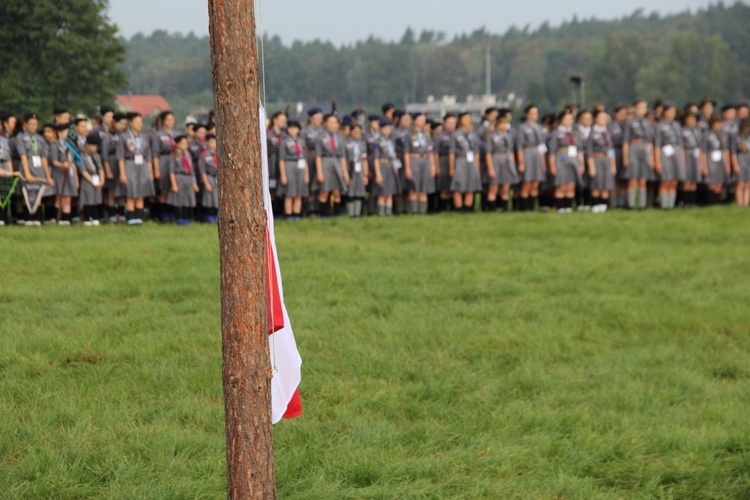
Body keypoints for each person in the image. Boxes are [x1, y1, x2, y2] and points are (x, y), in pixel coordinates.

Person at [15, 113, 55, 225]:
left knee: (39, 193)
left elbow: (44, 158)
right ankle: (28, 218)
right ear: (25, 124)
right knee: (27, 193)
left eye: (35, 124)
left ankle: (36, 218)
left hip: (39, 167)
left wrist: (48, 176)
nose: (33, 126)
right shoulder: (21, 137)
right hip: (27, 164)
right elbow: (23, 156)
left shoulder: (40, 138)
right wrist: (27, 173)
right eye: (31, 124)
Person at [117, 112, 155, 225]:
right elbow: (120, 157)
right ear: (131, 123)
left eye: (141, 122)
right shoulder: (124, 137)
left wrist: (150, 171)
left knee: (140, 193)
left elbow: (148, 156)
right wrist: (122, 173)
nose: (140, 124)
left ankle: (139, 219)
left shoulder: (144, 137)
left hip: (142, 165)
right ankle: (131, 219)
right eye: (137, 122)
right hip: (130, 164)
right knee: (131, 193)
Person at [548, 108, 584, 213]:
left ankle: (568, 207)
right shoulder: (556, 133)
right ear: (561, 120)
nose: (569, 121)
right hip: (561, 159)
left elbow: (580, 149)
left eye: (570, 119)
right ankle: (560, 207)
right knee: (562, 184)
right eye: (566, 119)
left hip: (573, 159)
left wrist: (581, 164)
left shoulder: (575, 133)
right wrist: (552, 166)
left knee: (571, 184)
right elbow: (552, 151)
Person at [622, 98, 655, 209]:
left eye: (644, 107)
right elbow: (625, 141)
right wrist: (625, 157)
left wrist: (651, 158)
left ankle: (642, 205)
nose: (643, 110)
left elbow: (650, 142)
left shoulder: (647, 122)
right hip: (633, 147)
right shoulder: (629, 122)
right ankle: (630, 205)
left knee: (643, 179)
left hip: (645, 148)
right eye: (640, 107)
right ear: (635, 108)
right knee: (633, 178)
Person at [314, 113, 348, 217]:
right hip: (325, 162)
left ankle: (336, 215)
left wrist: (345, 171)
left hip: (337, 163)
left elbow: (343, 156)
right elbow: (318, 156)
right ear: (325, 123)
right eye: (330, 122)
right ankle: (324, 215)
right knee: (324, 191)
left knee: (337, 191)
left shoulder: (340, 137)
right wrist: (319, 172)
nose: (333, 125)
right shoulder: (320, 137)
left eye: (335, 122)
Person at [653, 102, 686, 210]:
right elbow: (657, 145)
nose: (672, 113)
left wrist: (682, 159)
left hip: (676, 151)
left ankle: (671, 205)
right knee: (666, 179)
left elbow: (681, 144)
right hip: (665, 152)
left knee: (674, 180)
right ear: (664, 112)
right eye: (669, 111)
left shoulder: (677, 125)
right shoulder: (659, 125)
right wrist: (657, 161)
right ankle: (664, 205)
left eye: (673, 111)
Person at [449, 112, 482, 212]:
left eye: (469, 118)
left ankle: (468, 208)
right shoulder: (455, 134)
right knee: (459, 185)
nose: (468, 120)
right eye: (466, 118)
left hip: (471, 161)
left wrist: (477, 166)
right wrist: (451, 168)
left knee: (471, 185)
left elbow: (476, 151)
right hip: (460, 159)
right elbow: (452, 152)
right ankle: (459, 208)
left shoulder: (473, 134)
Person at [516, 104, 547, 211]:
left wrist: (543, 163)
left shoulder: (539, 128)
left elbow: (542, 146)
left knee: (535, 183)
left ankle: (532, 207)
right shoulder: (522, 128)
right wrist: (521, 162)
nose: (534, 115)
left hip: (537, 154)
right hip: (527, 153)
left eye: (536, 113)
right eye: (532, 113)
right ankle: (524, 207)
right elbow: (519, 146)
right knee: (527, 182)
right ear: (527, 114)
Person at [484, 114, 518, 212]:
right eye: (502, 124)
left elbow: (510, 151)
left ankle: (505, 209)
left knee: (506, 186)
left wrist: (512, 165)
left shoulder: (508, 135)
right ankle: (492, 209)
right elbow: (488, 153)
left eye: (506, 124)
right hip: (496, 159)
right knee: (494, 186)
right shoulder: (491, 135)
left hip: (506, 160)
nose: (504, 126)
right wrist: (490, 168)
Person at [277, 121, 309, 220]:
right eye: (291, 128)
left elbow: (305, 158)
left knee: (299, 193)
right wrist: (283, 175)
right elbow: (281, 159)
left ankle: (297, 214)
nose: (293, 130)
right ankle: (288, 215)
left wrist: (307, 174)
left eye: (295, 128)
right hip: (289, 164)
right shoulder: (284, 141)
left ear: (299, 130)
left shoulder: (302, 141)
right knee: (289, 193)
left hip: (301, 165)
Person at [586, 110, 616, 213]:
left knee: (606, 183)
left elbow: (611, 150)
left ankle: (604, 206)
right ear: (596, 119)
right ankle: (595, 205)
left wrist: (613, 165)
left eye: (605, 118)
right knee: (597, 183)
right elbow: (589, 152)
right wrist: (591, 166)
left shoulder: (608, 133)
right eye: (601, 118)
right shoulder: (592, 133)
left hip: (606, 159)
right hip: (596, 158)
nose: (603, 120)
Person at [405, 112, 435, 215]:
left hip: (425, 161)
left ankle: (422, 211)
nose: (423, 121)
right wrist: (408, 167)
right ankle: (414, 211)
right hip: (414, 160)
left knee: (424, 188)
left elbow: (430, 152)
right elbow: (407, 153)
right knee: (414, 188)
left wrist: (433, 166)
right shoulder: (409, 134)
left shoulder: (426, 134)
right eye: (420, 119)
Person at [49, 124, 79, 225]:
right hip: (60, 173)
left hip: (69, 173)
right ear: (60, 133)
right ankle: (57, 217)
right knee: (60, 197)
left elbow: (73, 162)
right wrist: (62, 164)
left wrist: (76, 177)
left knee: (68, 197)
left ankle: (66, 218)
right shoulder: (55, 145)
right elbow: (54, 161)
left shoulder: (70, 145)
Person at [167, 135, 199, 225]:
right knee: (179, 199)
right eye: (183, 143)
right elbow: (171, 171)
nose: (185, 145)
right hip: (179, 177)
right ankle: (178, 218)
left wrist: (194, 183)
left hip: (188, 177)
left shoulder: (188, 155)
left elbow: (191, 170)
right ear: (177, 144)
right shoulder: (174, 155)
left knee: (187, 198)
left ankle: (186, 218)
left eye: (186, 143)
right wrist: (174, 184)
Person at [152, 110, 177, 221]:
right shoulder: (158, 134)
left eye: (172, 119)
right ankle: (162, 214)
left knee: (173, 188)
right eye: (168, 120)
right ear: (163, 121)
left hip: (175, 161)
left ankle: (172, 214)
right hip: (164, 160)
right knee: (164, 189)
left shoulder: (177, 134)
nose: (170, 122)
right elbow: (155, 153)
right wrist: (156, 169)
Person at [372, 119, 401, 216]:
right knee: (382, 192)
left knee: (390, 191)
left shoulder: (391, 141)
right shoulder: (377, 141)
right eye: (386, 128)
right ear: (381, 129)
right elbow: (376, 158)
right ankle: (381, 213)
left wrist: (395, 167)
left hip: (391, 166)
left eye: (389, 128)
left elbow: (393, 156)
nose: (388, 130)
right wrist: (378, 174)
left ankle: (388, 213)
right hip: (382, 165)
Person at [104, 113, 128, 222]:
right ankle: (112, 214)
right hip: (112, 163)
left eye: (124, 124)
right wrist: (108, 170)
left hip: (123, 164)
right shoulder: (108, 136)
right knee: (112, 191)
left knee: (122, 191)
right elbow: (104, 155)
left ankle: (122, 213)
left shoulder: (125, 136)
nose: (123, 126)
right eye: (121, 123)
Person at [78, 132, 105, 225]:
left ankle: (95, 217)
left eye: (96, 146)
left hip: (97, 177)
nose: (94, 148)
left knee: (96, 199)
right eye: (92, 146)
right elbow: (83, 170)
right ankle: (87, 217)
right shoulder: (82, 156)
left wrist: (102, 180)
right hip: (88, 179)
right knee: (88, 198)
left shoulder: (96, 156)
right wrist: (92, 181)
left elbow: (101, 168)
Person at [702, 115, 730, 205]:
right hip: (711, 160)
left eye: (719, 123)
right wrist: (704, 166)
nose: (718, 125)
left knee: (719, 182)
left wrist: (727, 164)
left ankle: (717, 203)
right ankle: (711, 203)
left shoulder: (722, 135)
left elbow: (726, 150)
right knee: (712, 183)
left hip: (721, 160)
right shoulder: (707, 135)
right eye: (716, 123)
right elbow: (703, 151)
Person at [302, 107, 323, 217]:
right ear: (311, 118)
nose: (320, 120)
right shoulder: (305, 131)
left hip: (320, 159)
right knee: (310, 184)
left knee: (319, 184)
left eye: (321, 117)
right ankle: (310, 210)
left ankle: (317, 208)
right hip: (309, 158)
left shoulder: (322, 131)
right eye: (317, 118)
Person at [344, 122, 368, 218]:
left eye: (359, 131)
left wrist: (365, 174)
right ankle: (350, 213)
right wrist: (345, 171)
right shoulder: (346, 142)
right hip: (350, 167)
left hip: (360, 168)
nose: (357, 133)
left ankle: (357, 213)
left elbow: (364, 159)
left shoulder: (362, 143)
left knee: (359, 191)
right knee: (350, 190)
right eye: (355, 131)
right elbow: (344, 158)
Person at [681, 111, 703, 208]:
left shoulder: (698, 131)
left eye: (694, 119)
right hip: (687, 152)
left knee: (694, 180)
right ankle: (686, 202)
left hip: (696, 153)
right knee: (687, 180)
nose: (692, 121)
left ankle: (692, 202)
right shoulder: (682, 130)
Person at [435, 113, 456, 212]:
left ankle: (453, 207)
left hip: (457, 161)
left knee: (454, 186)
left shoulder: (457, 135)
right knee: (444, 186)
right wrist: (437, 166)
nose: (452, 125)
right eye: (449, 122)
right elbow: (435, 153)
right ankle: (442, 208)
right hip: (444, 160)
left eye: (453, 122)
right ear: (444, 123)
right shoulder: (439, 136)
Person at [609, 103, 628, 208]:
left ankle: (623, 202)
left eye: (625, 114)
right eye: (621, 114)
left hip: (625, 152)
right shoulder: (611, 127)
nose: (623, 116)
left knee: (624, 179)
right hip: (615, 152)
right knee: (614, 180)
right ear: (615, 114)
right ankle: (613, 202)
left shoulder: (627, 126)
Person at [198, 133, 220, 222]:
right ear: (207, 143)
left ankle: (216, 215)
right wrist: (206, 182)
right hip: (209, 177)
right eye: (211, 142)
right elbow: (202, 170)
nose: (213, 144)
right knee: (209, 198)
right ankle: (209, 216)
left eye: (214, 142)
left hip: (218, 177)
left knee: (216, 198)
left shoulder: (218, 154)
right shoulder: (204, 155)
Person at [731, 119, 750, 207]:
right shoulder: (736, 137)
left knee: (748, 183)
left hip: (748, 158)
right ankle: (740, 203)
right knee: (740, 183)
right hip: (741, 159)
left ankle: (745, 204)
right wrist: (735, 164)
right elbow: (733, 152)